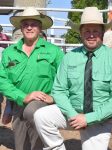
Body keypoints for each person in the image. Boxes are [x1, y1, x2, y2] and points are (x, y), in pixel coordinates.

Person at [34, 7, 112, 150]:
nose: (91, 35)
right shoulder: (70, 57)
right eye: (87, 31)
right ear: (81, 33)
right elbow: (59, 90)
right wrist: (73, 114)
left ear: (102, 33)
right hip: (72, 112)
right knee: (41, 116)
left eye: (95, 31)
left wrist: (87, 118)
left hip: (100, 118)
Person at [0, 7, 64, 150]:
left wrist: (53, 97)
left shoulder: (53, 51)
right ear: (20, 28)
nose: (29, 27)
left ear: (40, 27)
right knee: (21, 146)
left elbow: (65, 79)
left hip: (43, 106)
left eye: (33, 24)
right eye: (25, 24)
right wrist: (23, 97)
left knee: (38, 145)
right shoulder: (9, 53)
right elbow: (2, 80)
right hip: (18, 105)